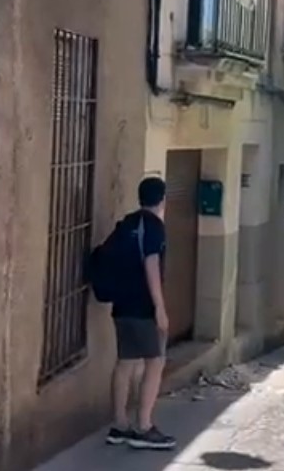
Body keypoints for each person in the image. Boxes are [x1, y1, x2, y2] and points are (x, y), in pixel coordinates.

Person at [105, 176, 176, 451]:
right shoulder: (154, 227)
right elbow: (151, 266)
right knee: (155, 362)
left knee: (125, 363)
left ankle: (119, 424)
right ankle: (143, 427)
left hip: (121, 305)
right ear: (162, 200)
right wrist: (160, 308)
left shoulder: (127, 223)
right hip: (143, 308)